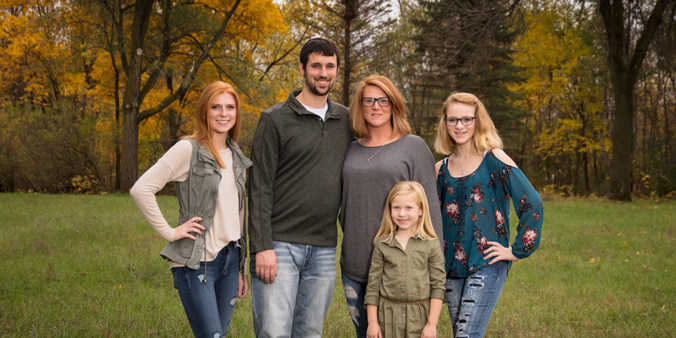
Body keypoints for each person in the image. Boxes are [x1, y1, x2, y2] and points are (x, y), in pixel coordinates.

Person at [247, 37, 353, 338]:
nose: (323, 73)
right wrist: (263, 247)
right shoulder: (274, 119)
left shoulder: (345, 119)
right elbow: (258, 187)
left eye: (330, 66)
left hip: (323, 247)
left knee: (310, 333)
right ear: (302, 68)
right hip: (279, 245)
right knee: (274, 333)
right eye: (316, 65)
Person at [130, 81, 252, 338]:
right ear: (204, 112)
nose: (223, 113)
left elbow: (239, 213)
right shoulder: (188, 149)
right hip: (199, 262)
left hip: (230, 261)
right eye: (215, 107)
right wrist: (170, 232)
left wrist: (241, 267)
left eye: (230, 107)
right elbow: (141, 189)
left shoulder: (235, 154)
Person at [339, 75, 443, 338]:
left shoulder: (413, 146)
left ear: (394, 104)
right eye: (369, 100)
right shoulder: (349, 149)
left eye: (383, 100)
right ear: (359, 106)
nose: (376, 106)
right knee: (366, 333)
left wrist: (434, 263)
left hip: (402, 266)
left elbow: (430, 206)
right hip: (355, 262)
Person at [434, 92, 544, 338]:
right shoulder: (440, 170)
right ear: (445, 123)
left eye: (466, 119)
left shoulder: (493, 158)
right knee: (460, 333)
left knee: (467, 335)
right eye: (452, 120)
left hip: (487, 262)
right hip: (450, 268)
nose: (459, 125)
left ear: (478, 121)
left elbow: (532, 203)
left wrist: (516, 251)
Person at [364, 181, 445, 338]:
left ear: (421, 210)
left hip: (419, 317)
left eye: (409, 208)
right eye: (396, 208)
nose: (402, 213)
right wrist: (372, 323)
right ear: (390, 210)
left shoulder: (431, 244)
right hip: (387, 317)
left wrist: (431, 324)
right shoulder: (382, 244)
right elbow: (373, 286)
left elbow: (438, 286)